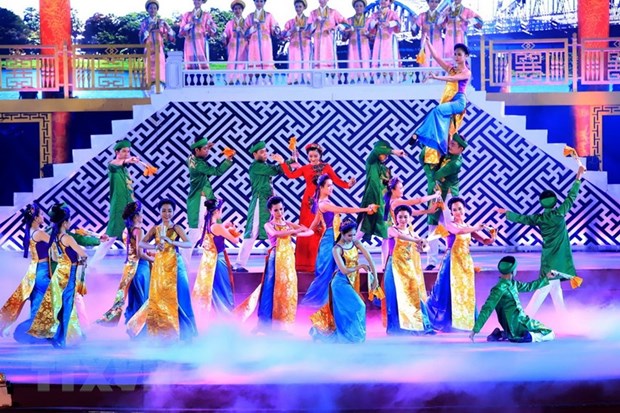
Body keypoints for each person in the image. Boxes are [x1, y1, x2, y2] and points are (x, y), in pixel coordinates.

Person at [495, 164, 586, 315]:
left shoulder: (539, 218)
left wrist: (507, 213)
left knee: (554, 287)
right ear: (555, 201)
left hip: (548, 258)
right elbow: (572, 196)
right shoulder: (560, 213)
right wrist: (579, 176)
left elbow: (522, 218)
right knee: (545, 287)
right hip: (560, 258)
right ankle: (525, 317)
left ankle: (562, 317)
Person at [234, 196, 313, 332]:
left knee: (288, 290)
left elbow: (309, 232)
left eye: (281, 209)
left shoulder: (287, 224)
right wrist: (295, 231)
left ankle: (284, 325)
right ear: (270, 211)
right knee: (270, 289)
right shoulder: (268, 225)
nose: (279, 212)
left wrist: (302, 229)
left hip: (288, 261)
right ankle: (266, 324)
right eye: (276, 210)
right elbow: (275, 234)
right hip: (275, 259)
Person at [276, 142, 354, 272]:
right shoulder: (305, 168)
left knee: (321, 230)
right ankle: (305, 263)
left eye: (315, 156)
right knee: (307, 229)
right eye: (310, 156)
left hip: (321, 203)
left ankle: (322, 261)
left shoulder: (326, 167)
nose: (312, 159)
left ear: (320, 155)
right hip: (308, 203)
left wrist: (348, 184)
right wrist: (282, 162)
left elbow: (337, 180)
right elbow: (291, 175)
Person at [126, 199, 197, 342]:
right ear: (159, 212)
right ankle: (164, 331)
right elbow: (142, 243)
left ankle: (187, 332)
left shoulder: (177, 228)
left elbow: (189, 243)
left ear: (174, 212)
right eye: (164, 210)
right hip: (161, 266)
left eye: (169, 210)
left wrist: (173, 242)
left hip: (176, 264)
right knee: (160, 298)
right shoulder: (156, 229)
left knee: (181, 296)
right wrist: (154, 247)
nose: (167, 213)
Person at [302, 174, 376, 307]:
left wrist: (305, 231)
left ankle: (331, 301)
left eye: (332, 185)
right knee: (325, 272)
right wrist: (365, 209)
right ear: (322, 187)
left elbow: (315, 222)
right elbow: (345, 210)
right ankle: (313, 302)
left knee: (333, 272)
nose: (331, 188)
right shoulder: (323, 204)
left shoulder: (325, 202)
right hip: (329, 239)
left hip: (335, 238)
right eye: (328, 185)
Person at [426, 197, 495, 332]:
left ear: (464, 209)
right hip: (451, 262)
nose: (458, 212)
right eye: (454, 210)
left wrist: (493, 236)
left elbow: (486, 241)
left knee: (465, 292)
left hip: (465, 264)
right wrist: (475, 227)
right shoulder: (450, 225)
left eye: (460, 209)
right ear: (451, 212)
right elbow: (459, 232)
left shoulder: (467, 227)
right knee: (446, 292)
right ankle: (445, 322)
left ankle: (465, 322)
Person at [28, 203, 88, 348]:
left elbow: (54, 257)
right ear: (65, 222)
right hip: (69, 274)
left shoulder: (55, 237)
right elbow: (83, 253)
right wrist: (81, 261)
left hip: (59, 274)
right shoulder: (67, 238)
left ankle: (58, 336)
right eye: (69, 220)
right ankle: (67, 339)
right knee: (68, 306)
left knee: (59, 306)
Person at [309, 218, 379, 343]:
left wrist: (376, 278)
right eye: (349, 235)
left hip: (352, 281)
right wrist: (360, 266)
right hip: (340, 283)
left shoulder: (355, 242)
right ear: (342, 233)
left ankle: (351, 337)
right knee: (359, 306)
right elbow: (344, 269)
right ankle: (354, 338)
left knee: (348, 311)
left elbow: (370, 259)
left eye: (353, 234)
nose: (352, 237)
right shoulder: (336, 249)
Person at [469, 256, 558, 343]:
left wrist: (547, 277)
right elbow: (487, 308)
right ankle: (531, 337)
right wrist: (475, 330)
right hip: (519, 323)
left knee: (522, 331)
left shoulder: (513, 284)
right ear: (512, 271)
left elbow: (529, 286)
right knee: (550, 333)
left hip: (516, 323)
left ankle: (502, 334)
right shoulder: (499, 289)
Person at [97, 201, 153, 326]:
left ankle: (130, 324)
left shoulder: (126, 231)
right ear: (136, 216)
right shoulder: (138, 231)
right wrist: (154, 260)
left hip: (129, 268)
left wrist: (149, 251)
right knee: (142, 299)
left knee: (133, 298)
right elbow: (139, 253)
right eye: (141, 214)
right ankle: (139, 328)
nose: (142, 217)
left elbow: (134, 250)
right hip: (140, 266)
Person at [0, 204, 51, 342]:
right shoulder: (40, 233)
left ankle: (31, 335)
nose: (43, 216)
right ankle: (29, 333)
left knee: (36, 304)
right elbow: (58, 244)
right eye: (40, 215)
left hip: (34, 271)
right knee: (51, 302)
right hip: (42, 271)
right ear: (35, 218)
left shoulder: (31, 231)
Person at [412, 41, 470, 157]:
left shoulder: (466, 72)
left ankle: (419, 134)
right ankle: (439, 144)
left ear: (466, 56)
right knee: (439, 118)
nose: (456, 57)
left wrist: (436, 77)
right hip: (451, 102)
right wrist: (428, 42)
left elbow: (453, 79)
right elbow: (436, 57)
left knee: (437, 110)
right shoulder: (452, 69)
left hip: (459, 102)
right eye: (455, 54)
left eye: (459, 54)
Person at [383, 205, 434, 335]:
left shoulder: (412, 233)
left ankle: (422, 325)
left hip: (408, 268)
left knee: (415, 295)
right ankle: (397, 328)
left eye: (406, 217)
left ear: (410, 218)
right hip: (394, 267)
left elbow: (426, 246)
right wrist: (418, 240)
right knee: (394, 296)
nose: (403, 219)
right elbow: (401, 236)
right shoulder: (391, 230)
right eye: (400, 217)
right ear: (395, 218)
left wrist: (423, 247)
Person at [233, 141, 283, 272]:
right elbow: (275, 170)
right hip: (259, 203)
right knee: (252, 231)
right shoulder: (255, 166)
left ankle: (280, 261)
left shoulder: (264, 165)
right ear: (254, 154)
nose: (265, 153)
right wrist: (283, 162)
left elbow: (278, 169)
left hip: (269, 202)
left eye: (266, 151)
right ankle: (239, 264)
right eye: (261, 152)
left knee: (276, 229)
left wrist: (287, 161)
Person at [185, 136, 234, 266]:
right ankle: (183, 263)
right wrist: (228, 160)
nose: (208, 151)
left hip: (203, 199)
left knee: (211, 229)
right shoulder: (200, 165)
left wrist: (205, 146)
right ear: (197, 150)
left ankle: (215, 260)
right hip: (200, 201)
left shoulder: (191, 159)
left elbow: (193, 154)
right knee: (196, 232)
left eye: (208, 148)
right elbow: (217, 171)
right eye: (205, 149)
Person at [91, 139, 140, 265]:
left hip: (130, 207)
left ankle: (134, 260)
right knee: (110, 236)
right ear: (116, 152)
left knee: (134, 234)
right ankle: (93, 265)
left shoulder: (124, 169)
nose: (126, 154)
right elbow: (115, 163)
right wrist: (128, 160)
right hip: (119, 207)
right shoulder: (113, 166)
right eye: (123, 151)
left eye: (128, 152)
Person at [193, 199, 240, 317]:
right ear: (218, 211)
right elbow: (235, 241)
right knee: (224, 289)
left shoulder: (206, 225)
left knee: (213, 289)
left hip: (208, 262)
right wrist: (233, 229)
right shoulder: (218, 227)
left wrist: (225, 226)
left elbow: (216, 231)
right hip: (218, 261)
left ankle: (217, 316)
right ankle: (227, 316)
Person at [381, 176, 441, 266]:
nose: (403, 190)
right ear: (393, 190)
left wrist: (429, 211)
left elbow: (411, 212)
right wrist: (435, 195)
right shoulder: (396, 202)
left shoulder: (394, 201)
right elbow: (418, 201)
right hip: (402, 233)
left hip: (406, 231)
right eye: (400, 188)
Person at [357, 140, 406, 243]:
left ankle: (387, 258)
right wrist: (393, 151)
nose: (385, 155)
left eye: (386, 153)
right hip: (372, 199)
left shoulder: (386, 169)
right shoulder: (371, 162)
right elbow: (376, 151)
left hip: (383, 203)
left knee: (386, 232)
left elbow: (389, 186)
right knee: (365, 225)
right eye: (384, 153)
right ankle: (348, 246)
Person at [140, 0, 175, 90]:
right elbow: (141, 38)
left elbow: (171, 37)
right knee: (148, 69)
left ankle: (160, 89)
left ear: (157, 10)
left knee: (159, 69)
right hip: (148, 50)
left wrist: (168, 27)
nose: (153, 10)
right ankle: (149, 89)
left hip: (159, 51)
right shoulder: (144, 23)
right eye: (150, 8)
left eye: (155, 8)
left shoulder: (161, 22)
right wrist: (148, 29)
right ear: (147, 10)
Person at [180, 0, 218, 70]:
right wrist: (190, 24)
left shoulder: (206, 15)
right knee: (190, 62)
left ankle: (205, 77)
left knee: (202, 60)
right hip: (189, 42)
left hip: (201, 42)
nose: (196, 1)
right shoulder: (187, 15)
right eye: (195, 0)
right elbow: (181, 31)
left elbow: (213, 31)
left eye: (199, 0)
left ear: (202, 1)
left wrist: (212, 26)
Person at [244, 0, 280, 72]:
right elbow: (245, 32)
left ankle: (267, 80)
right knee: (254, 64)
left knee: (266, 62)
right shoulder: (250, 16)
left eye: (261, 1)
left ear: (264, 2)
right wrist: (252, 28)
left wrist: (276, 29)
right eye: (257, 1)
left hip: (266, 43)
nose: (259, 3)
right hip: (254, 44)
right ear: (254, 2)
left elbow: (275, 29)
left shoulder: (269, 15)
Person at [308, 0, 346, 69]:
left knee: (330, 57)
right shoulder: (313, 13)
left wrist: (335, 28)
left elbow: (344, 23)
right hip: (317, 40)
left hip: (329, 39)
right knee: (317, 59)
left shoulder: (333, 12)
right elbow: (308, 29)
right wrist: (315, 22)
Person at [283, 0, 312, 84]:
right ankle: (293, 80)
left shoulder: (309, 20)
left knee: (307, 63)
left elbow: (313, 32)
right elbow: (283, 34)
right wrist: (292, 30)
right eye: (296, 6)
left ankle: (307, 80)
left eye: (300, 6)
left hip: (306, 46)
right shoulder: (290, 22)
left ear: (304, 8)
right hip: (294, 47)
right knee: (294, 63)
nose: (298, 8)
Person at [369, 0, 401, 73]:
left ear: (389, 2)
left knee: (390, 56)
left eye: (386, 0)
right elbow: (370, 26)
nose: (383, 1)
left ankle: (392, 77)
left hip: (390, 39)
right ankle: (378, 78)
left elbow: (398, 23)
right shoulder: (375, 14)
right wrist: (375, 21)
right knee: (378, 56)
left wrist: (389, 24)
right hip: (379, 39)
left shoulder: (393, 13)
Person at [344, 0, 372, 82]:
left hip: (364, 47)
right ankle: (352, 79)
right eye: (357, 6)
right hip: (353, 47)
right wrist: (346, 32)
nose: (358, 8)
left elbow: (373, 37)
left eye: (361, 6)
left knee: (365, 62)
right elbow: (344, 38)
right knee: (353, 62)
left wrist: (368, 34)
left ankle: (366, 78)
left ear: (364, 7)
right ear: (354, 7)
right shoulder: (348, 21)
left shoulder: (368, 21)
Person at [223, 0, 249, 84]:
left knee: (243, 64)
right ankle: (230, 80)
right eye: (235, 9)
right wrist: (224, 36)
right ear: (233, 10)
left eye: (239, 9)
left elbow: (250, 36)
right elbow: (226, 34)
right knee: (232, 63)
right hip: (233, 49)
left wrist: (241, 31)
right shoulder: (229, 23)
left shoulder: (247, 23)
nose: (237, 11)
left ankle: (244, 80)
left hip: (243, 49)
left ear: (242, 10)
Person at [413, 0, 444, 67]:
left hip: (437, 42)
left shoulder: (441, 16)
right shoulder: (422, 15)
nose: (434, 4)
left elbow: (445, 28)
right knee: (425, 60)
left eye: (436, 2)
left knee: (437, 58)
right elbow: (415, 28)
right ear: (428, 2)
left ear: (438, 3)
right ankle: (425, 76)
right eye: (432, 1)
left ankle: (437, 76)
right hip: (425, 42)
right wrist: (414, 26)